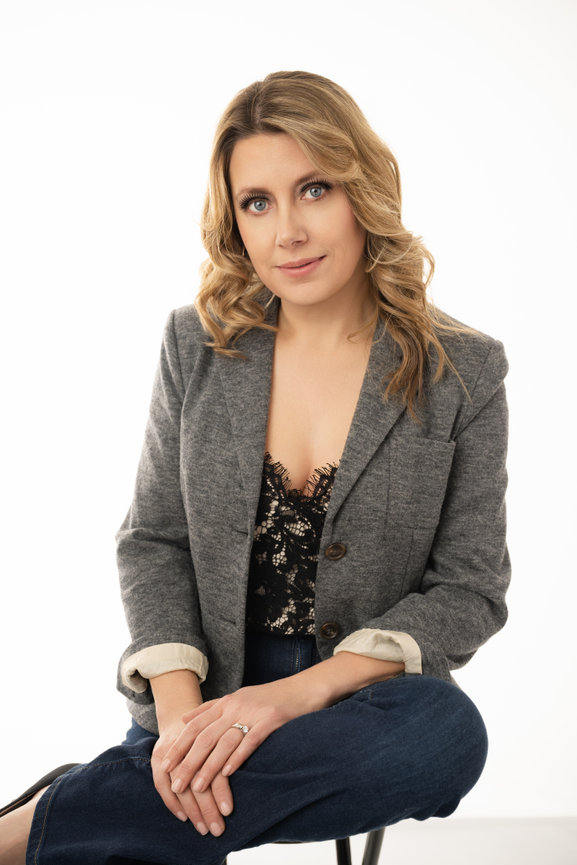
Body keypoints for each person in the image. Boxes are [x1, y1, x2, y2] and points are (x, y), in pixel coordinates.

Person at [0, 70, 510, 865]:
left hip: (357, 699)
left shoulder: (462, 371)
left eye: (313, 189)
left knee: (446, 736)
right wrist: (181, 723)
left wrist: (292, 696)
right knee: (171, 807)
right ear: (233, 219)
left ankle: (52, 820)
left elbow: (469, 587)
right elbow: (154, 540)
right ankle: (129, 803)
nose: (287, 233)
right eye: (257, 202)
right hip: (206, 688)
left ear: (360, 192)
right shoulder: (195, 346)